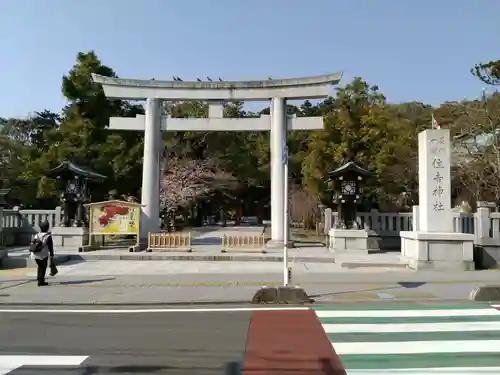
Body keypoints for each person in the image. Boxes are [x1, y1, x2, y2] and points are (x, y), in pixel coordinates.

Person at [30, 221, 55, 286]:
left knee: (40, 266)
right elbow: (50, 247)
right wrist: (52, 255)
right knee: (43, 267)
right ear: (47, 228)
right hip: (42, 255)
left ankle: (39, 278)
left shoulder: (37, 234)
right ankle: (41, 282)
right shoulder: (48, 236)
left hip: (34, 254)